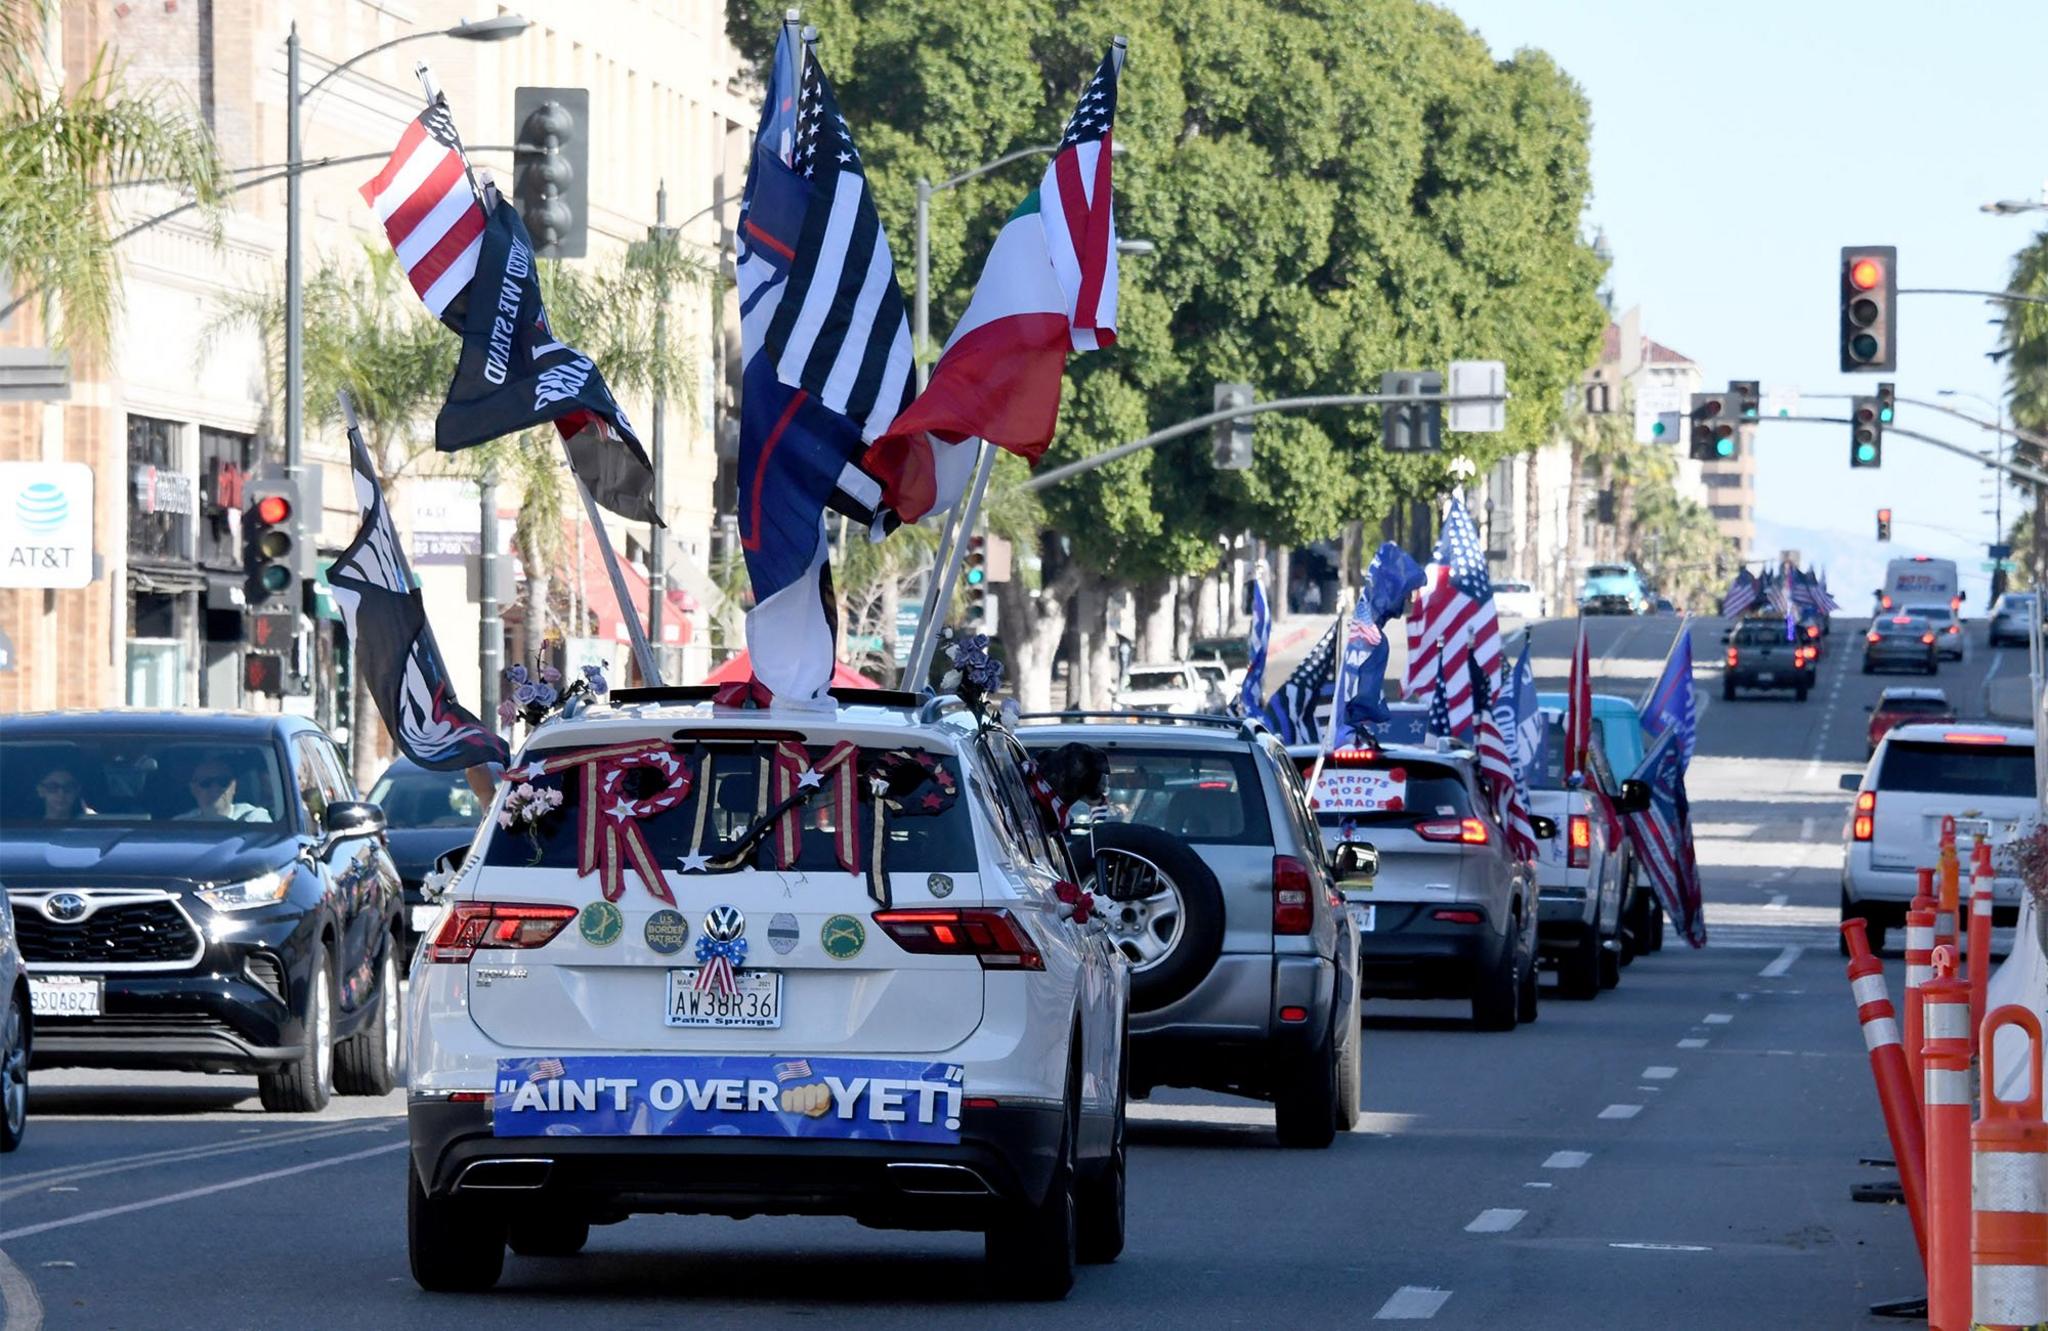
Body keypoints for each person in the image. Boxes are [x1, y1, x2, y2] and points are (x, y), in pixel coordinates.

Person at [175, 758, 271, 822]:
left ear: (233, 787)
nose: (215, 788)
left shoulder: (255, 818)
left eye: (223, 781)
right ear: (193, 789)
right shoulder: (180, 826)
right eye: (206, 782)